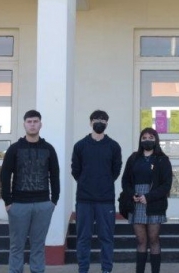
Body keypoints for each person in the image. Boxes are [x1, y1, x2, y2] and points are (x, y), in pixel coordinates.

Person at [0, 110, 61, 273]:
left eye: (35, 121)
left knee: (38, 246)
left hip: (43, 204)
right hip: (18, 205)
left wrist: (53, 201)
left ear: (40, 124)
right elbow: (5, 176)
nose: (32, 124)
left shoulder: (49, 149)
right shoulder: (14, 149)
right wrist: (8, 202)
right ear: (24, 124)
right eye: (29, 121)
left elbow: (55, 175)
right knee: (16, 246)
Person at [71, 110, 123, 273]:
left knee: (107, 238)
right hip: (84, 200)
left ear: (107, 123)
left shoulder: (114, 146)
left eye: (103, 120)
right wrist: (87, 182)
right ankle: (83, 269)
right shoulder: (80, 145)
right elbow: (75, 170)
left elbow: (116, 170)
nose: (99, 122)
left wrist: (104, 182)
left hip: (106, 200)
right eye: (96, 119)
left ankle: (106, 269)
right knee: (83, 239)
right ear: (90, 122)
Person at [120, 127, 172, 273]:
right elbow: (125, 181)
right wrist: (132, 194)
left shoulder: (162, 159)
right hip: (136, 203)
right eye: (144, 138)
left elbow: (166, 184)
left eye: (151, 137)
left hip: (154, 202)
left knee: (154, 239)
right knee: (141, 241)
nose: (147, 140)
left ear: (156, 140)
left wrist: (148, 197)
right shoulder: (133, 158)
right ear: (140, 140)